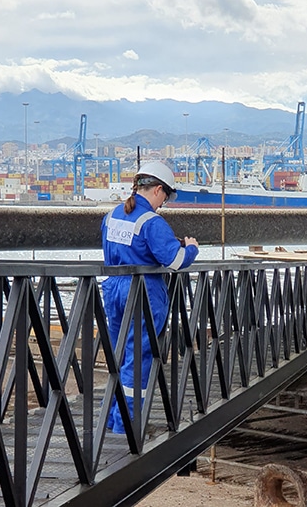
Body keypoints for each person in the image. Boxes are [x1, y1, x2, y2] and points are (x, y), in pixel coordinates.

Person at [101, 160, 199, 434]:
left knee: (118, 355)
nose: (162, 205)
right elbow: (176, 260)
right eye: (164, 199)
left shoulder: (113, 215)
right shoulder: (152, 221)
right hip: (143, 293)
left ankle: (112, 419)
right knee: (139, 358)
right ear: (157, 190)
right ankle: (128, 426)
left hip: (114, 289)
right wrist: (191, 248)